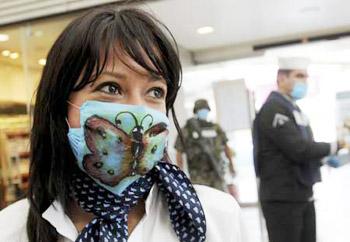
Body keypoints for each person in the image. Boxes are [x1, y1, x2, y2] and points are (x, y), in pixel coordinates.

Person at [0, 7, 244, 242]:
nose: (138, 110)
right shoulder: (11, 230)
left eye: (155, 92)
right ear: (60, 105)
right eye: (110, 88)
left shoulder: (214, 217)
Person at [253, 57, 344, 242]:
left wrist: (323, 159)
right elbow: (298, 149)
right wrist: (335, 146)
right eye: (299, 75)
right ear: (281, 78)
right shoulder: (273, 109)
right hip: (283, 199)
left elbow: (302, 148)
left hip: (300, 193)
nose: (304, 81)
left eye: (306, 77)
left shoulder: (294, 109)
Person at [174, 99, 238, 198]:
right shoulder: (188, 129)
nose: (203, 111)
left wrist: (232, 166)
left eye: (205, 109)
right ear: (196, 111)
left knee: (220, 200)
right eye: (200, 109)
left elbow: (226, 147)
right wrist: (180, 174)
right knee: (203, 203)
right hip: (198, 176)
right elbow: (179, 152)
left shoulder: (216, 128)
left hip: (217, 172)